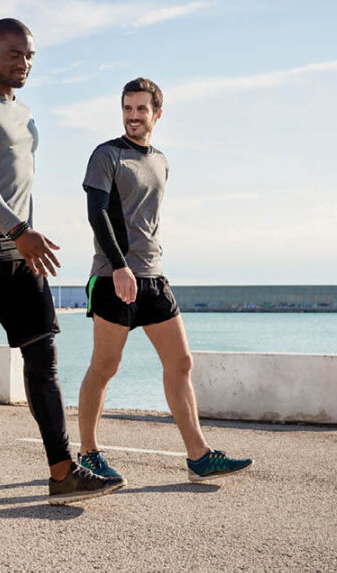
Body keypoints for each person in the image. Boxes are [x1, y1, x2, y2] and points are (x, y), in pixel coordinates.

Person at [0, 18, 123, 505]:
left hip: (22, 251)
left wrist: (25, 234)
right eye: (13, 53)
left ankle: (62, 471)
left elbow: (19, 182)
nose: (22, 63)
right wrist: (18, 230)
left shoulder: (25, 114)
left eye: (29, 56)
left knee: (43, 357)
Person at [77, 78, 254, 484]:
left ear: (158, 113)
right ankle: (88, 454)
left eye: (141, 109)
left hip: (154, 276)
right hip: (113, 276)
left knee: (180, 362)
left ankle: (199, 456)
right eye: (127, 108)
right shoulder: (107, 155)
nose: (133, 116)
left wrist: (143, 265)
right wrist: (120, 266)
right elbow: (97, 214)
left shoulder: (161, 160)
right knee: (105, 366)